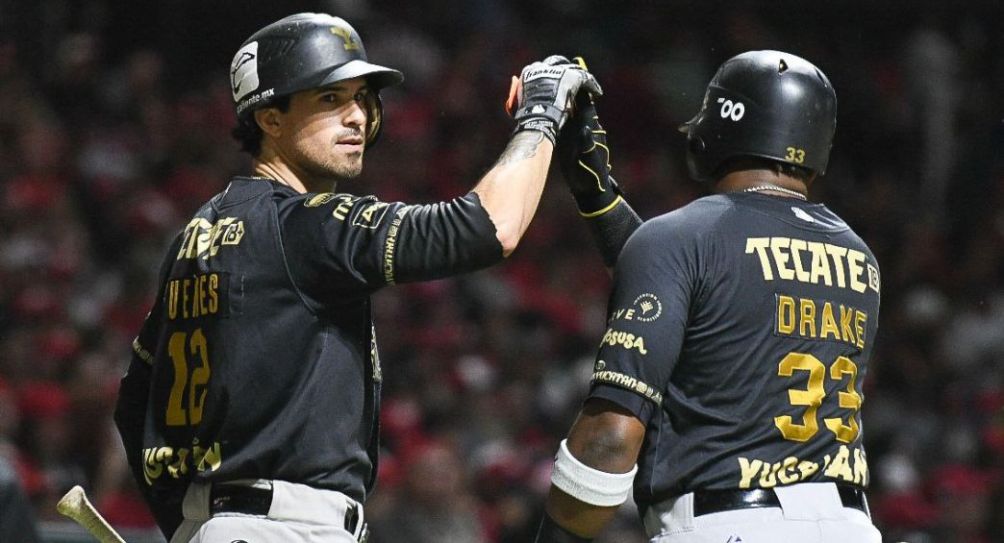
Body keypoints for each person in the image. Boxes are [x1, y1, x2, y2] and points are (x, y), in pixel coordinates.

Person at [113, 12, 601, 543]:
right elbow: (487, 229)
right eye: (330, 99)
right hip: (285, 527)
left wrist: (191, 523)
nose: (357, 119)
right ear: (269, 117)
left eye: (363, 100)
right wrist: (540, 117)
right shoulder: (301, 225)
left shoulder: (199, 231)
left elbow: (134, 402)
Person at [534, 50, 883, 542]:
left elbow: (610, 440)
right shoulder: (857, 254)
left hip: (729, 523)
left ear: (722, 125)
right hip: (851, 524)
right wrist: (596, 191)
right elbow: (708, 280)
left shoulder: (680, 239)